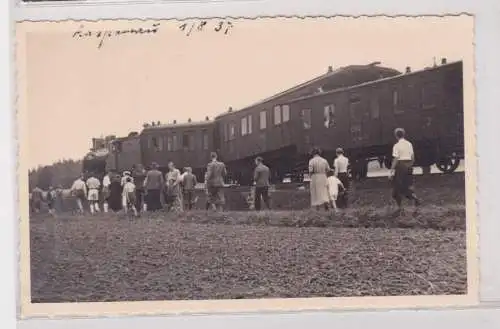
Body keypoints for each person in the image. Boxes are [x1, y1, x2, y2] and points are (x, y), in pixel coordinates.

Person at [389, 128, 421, 211]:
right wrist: (410, 165)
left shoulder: (396, 145)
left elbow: (396, 158)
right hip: (409, 166)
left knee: (397, 188)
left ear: (396, 136)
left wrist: (391, 170)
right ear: (404, 134)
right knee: (407, 186)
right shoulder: (409, 144)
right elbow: (413, 157)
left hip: (400, 166)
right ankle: (414, 199)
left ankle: (400, 207)